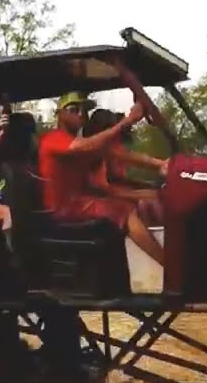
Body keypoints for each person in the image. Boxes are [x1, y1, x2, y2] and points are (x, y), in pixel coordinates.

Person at [38, 65, 166, 266]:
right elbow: (86, 146)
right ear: (59, 113)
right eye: (74, 110)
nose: (81, 114)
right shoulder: (55, 139)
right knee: (125, 211)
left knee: (148, 202)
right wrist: (125, 122)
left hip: (79, 202)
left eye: (84, 110)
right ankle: (170, 268)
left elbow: (121, 154)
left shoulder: (81, 143)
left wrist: (163, 163)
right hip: (63, 209)